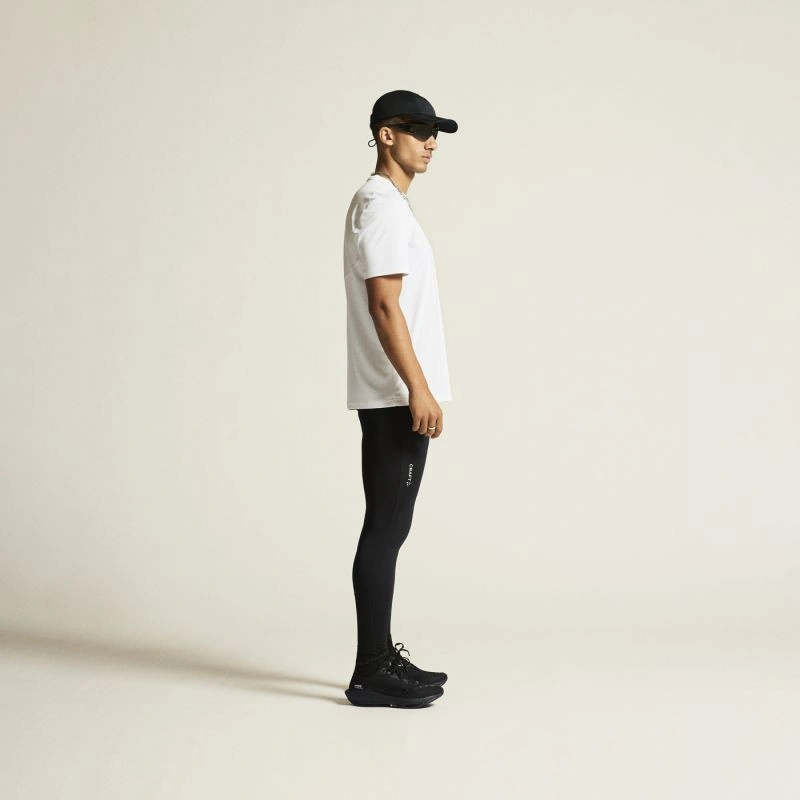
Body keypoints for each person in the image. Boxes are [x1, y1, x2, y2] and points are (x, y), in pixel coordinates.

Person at [342, 90, 458, 708]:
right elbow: (384, 304)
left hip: (394, 392)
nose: (430, 141)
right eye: (417, 129)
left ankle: (379, 658)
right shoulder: (381, 205)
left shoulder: (388, 205)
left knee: (390, 525)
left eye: (435, 131)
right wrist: (419, 387)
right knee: (385, 527)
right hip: (394, 395)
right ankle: (371, 670)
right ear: (386, 135)